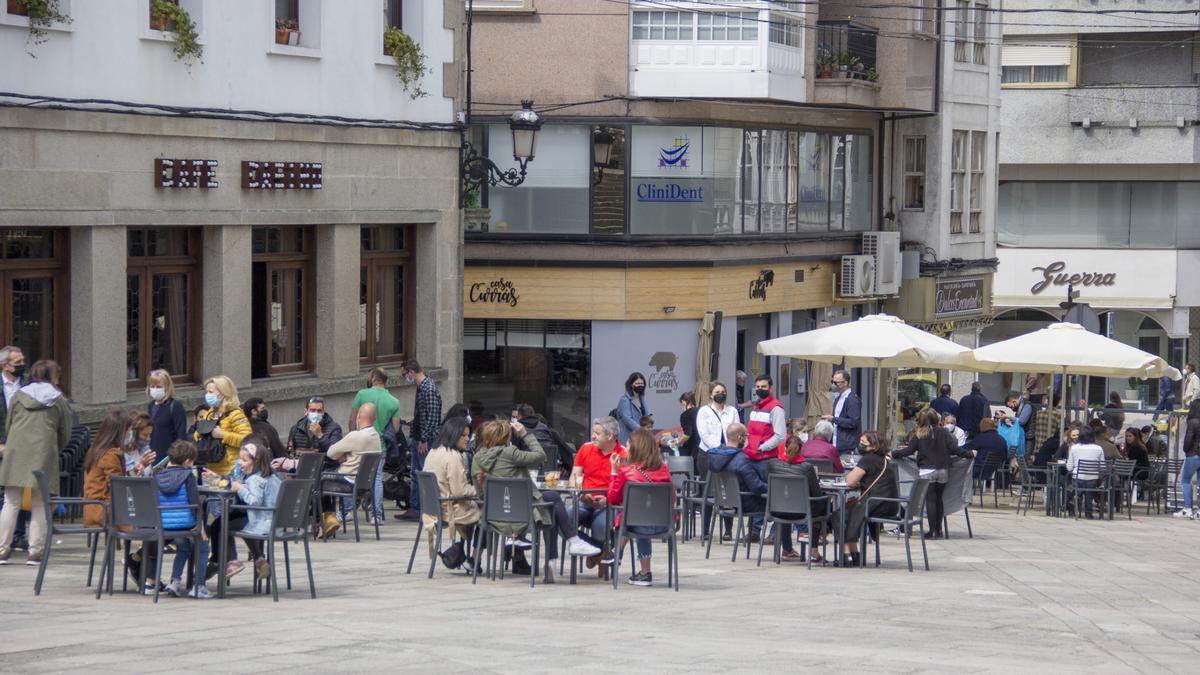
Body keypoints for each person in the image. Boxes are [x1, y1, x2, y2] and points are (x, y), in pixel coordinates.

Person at [474, 419, 600, 582]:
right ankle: (567, 545)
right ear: (506, 438)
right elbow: (541, 456)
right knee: (552, 504)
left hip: (493, 516)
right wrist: (525, 435)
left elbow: (480, 491)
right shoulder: (510, 453)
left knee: (551, 500)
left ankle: (553, 561)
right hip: (522, 518)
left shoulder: (477, 458)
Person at [0, 360, 75, 565]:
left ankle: (2, 550)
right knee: (40, 503)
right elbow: (65, 431)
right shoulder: (58, 399)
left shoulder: (18, 395)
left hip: (15, 452)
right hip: (44, 453)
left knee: (11, 502)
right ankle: (35, 552)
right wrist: (54, 450)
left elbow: (9, 424)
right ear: (53, 375)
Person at [81, 409, 156, 580]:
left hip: (98, 507)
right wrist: (140, 468)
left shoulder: (98, 449)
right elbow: (119, 486)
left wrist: (137, 469)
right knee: (157, 527)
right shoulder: (111, 454)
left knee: (156, 526)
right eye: (129, 430)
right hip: (105, 510)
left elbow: (117, 481)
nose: (131, 434)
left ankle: (140, 567)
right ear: (121, 431)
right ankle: (147, 576)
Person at [892, 410, 976, 539]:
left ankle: (932, 531)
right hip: (943, 469)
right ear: (938, 420)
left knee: (930, 501)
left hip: (927, 470)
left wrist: (893, 454)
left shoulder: (920, 433)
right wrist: (969, 454)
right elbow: (955, 449)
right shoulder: (944, 432)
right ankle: (939, 529)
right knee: (939, 500)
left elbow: (908, 450)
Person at [208, 437, 282, 581]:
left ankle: (231, 561)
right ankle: (260, 560)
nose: (240, 463)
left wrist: (240, 489)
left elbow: (254, 501)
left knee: (221, 524)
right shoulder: (274, 478)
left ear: (257, 462)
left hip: (261, 523)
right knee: (240, 520)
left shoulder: (254, 479)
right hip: (275, 523)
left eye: (244, 460)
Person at [608, 428, 673, 586]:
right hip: (665, 525)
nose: (626, 447)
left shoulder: (626, 471)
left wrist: (614, 472)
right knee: (638, 516)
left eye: (628, 444)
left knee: (630, 517)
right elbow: (673, 497)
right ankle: (644, 573)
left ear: (636, 448)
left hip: (636, 525)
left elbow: (612, 499)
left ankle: (616, 552)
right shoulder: (664, 469)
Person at [567, 416, 627, 568]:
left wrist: (607, 500)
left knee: (600, 529)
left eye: (597, 433)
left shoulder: (624, 454)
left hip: (609, 504)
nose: (593, 436)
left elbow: (626, 487)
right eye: (593, 432)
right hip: (584, 501)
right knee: (563, 519)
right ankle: (598, 551)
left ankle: (597, 548)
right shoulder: (586, 448)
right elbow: (573, 478)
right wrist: (580, 494)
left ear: (610, 435)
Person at [155, 440, 211, 599]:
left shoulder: (157, 475)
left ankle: (175, 582)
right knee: (203, 546)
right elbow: (195, 503)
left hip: (164, 523)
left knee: (183, 547)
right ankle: (198, 586)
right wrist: (200, 525)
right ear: (187, 461)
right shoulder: (187, 476)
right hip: (186, 523)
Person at [421, 417, 480, 562]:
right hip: (449, 511)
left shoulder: (433, 452)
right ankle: (473, 560)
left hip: (433, 510)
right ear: (453, 434)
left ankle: (461, 552)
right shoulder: (452, 456)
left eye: (468, 435)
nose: (467, 439)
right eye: (463, 435)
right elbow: (460, 492)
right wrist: (480, 490)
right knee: (488, 516)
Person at [321, 404, 383, 538]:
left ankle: (326, 520)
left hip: (347, 481)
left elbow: (331, 452)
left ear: (359, 417)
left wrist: (344, 454)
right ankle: (329, 520)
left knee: (318, 481)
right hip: (364, 485)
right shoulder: (376, 437)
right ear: (375, 418)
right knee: (327, 478)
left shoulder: (355, 436)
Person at [842, 430, 900, 567]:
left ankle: (847, 555)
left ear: (873, 446)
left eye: (863, 443)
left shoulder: (868, 459)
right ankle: (854, 554)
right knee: (850, 508)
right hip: (890, 505)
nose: (860, 445)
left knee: (841, 513)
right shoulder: (883, 460)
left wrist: (854, 479)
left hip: (876, 505)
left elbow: (849, 481)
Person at [769, 433, 828, 563]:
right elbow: (816, 493)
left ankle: (787, 549)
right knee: (821, 506)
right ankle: (813, 551)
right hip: (801, 512)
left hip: (777, 509)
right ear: (801, 450)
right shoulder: (806, 467)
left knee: (785, 505)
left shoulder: (773, 464)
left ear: (785, 448)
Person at [402, 359, 442, 525]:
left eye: (405, 374)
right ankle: (415, 506)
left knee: (422, 472)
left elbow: (433, 416)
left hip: (425, 438)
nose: (405, 378)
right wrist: (416, 420)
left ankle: (420, 508)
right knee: (416, 472)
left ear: (411, 372)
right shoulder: (423, 387)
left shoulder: (428, 388)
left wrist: (424, 438)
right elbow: (426, 413)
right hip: (420, 435)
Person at [0, 346, 30, 552]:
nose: (21, 365)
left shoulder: (29, 385)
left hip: (24, 447)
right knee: (4, 494)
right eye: (17, 362)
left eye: (22, 361)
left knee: (20, 491)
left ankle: (18, 535)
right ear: (4, 365)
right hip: (2, 446)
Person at [194, 375, 252, 476]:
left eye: (211, 392)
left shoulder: (235, 414)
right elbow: (199, 435)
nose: (207, 395)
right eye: (207, 392)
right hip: (211, 466)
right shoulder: (210, 413)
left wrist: (223, 435)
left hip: (230, 468)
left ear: (223, 394)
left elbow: (247, 440)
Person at [743, 374, 786, 480]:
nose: (760, 389)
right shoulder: (755, 406)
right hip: (750, 456)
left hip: (765, 459)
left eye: (763, 386)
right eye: (757, 387)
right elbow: (751, 431)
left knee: (765, 491)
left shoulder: (776, 408)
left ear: (770, 388)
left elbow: (780, 435)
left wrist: (762, 448)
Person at [696, 382, 740, 480]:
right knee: (708, 486)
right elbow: (704, 435)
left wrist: (728, 450)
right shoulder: (704, 411)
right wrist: (719, 449)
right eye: (717, 392)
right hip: (708, 453)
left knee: (726, 483)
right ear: (711, 395)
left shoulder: (732, 411)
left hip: (728, 454)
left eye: (723, 392)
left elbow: (736, 431)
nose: (720, 394)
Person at [517, 403, 573, 471]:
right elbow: (567, 454)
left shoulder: (517, 429)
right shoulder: (545, 428)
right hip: (548, 471)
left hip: (525, 472)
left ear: (519, 416)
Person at [145, 369, 188, 458]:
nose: (155, 389)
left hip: (169, 456)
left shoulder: (175, 405)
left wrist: (175, 456)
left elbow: (181, 434)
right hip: (152, 454)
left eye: (159, 387)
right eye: (152, 386)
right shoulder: (151, 405)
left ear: (167, 387)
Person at [1066, 426, 1106, 519]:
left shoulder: (1074, 448)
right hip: (1093, 479)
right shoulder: (1098, 448)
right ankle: (1088, 512)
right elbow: (1102, 467)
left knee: (1075, 485)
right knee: (1089, 491)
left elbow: (1069, 467)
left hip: (1078, 478)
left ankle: (1075, 503)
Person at [823, 369, 862, 455]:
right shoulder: (838, 398)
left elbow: (853, 422)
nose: (833, 385)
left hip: (847, 445)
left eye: (836, 383)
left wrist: (833, 419)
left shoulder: (852, 399)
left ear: (845, 383)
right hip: (836, 442)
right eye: (832, 381)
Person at [1177, 400, 1200, 519]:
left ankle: (1188, 508)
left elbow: (1188, 439)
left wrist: (1186, 450)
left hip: (1193, 455)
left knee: (1185, 480)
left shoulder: (1193, 422)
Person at [615, 372, 650, 444]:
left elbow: (645, 415)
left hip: (639, 438)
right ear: (631, 385)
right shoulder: (625, 400)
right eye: (637, 383)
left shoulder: (642, 398)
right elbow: (627, 419)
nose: (640, 385)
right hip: (627, 438)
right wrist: (642, 430)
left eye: (642, 383)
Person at [677, 391, 701, 460]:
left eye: (681, 404)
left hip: (694, 450)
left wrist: (677, 443)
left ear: (684, 402)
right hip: (705, 450)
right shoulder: (702, 410)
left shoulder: (685, 415)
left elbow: (687, 434)